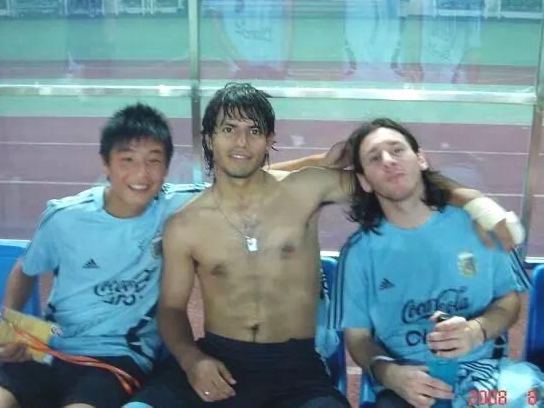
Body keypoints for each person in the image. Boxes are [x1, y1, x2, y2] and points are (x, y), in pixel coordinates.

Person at [127, 83, 522, 408]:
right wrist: (192, 360)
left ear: (270, 140)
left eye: (254, 130)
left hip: (295, 369)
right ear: (209, 139)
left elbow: (398, 180)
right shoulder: (186, 224)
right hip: (219, 359)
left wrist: (477, 204)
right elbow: (172, 309)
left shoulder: (306, 189)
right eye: (228, 129)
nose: (241, 141)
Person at [0, 104, 201, 408]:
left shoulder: (176, 205)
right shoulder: (64, 216)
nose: (141, 174)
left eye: (153, 161)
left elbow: (241, 184)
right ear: (105, 163)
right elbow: (25, 270)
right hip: (48, 347)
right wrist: (10, 326)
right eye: (127, 160)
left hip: (116, 358)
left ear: (167, 168)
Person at [332, 118, 541, 408]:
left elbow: (509, 300)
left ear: (421, 159)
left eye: (397, 150)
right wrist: (390, 374)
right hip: (408, 387)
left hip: (488, 381)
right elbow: (357, 338)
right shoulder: (358, 253)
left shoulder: (478, 226)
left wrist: (476, 330)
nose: (388, 161)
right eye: (374, 158)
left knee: (527, 398)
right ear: (365, 181)